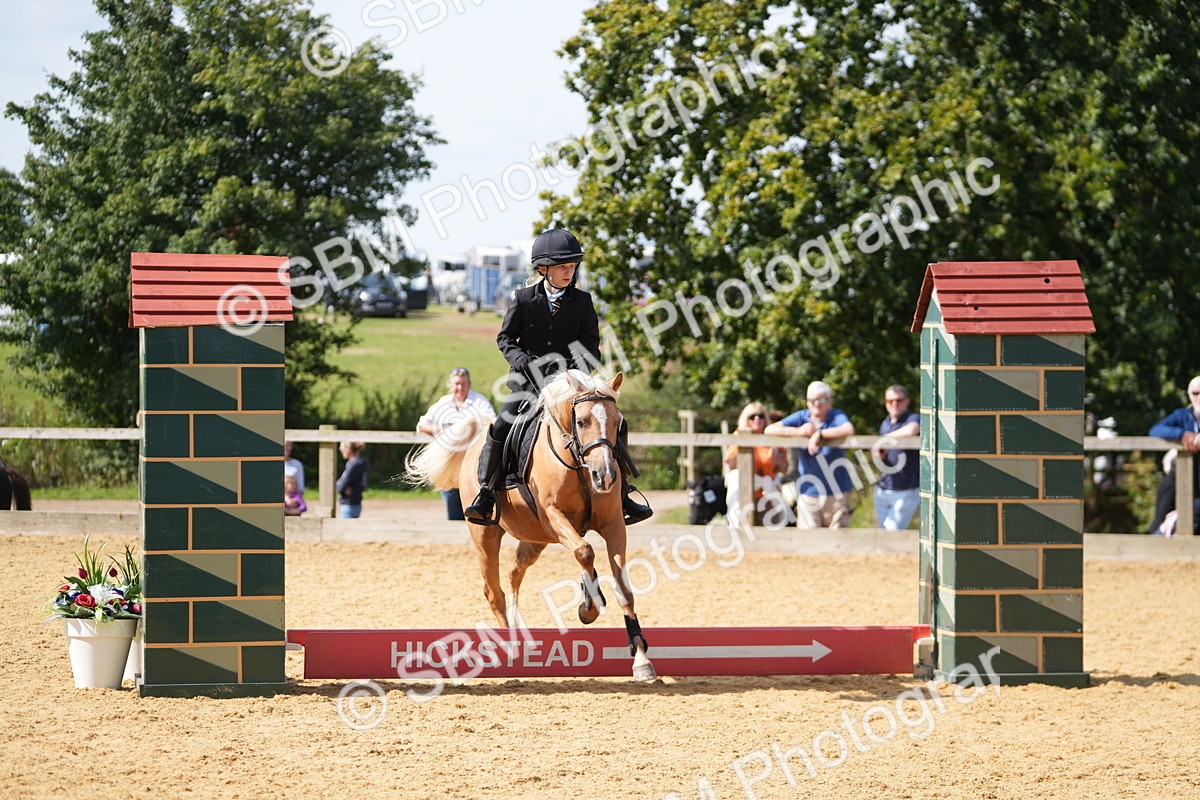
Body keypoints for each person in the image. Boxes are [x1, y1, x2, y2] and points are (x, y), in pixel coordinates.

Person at [464, 228, 652, 526]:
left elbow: (591, 347)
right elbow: (506, 339)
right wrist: (522, 360)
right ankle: (486, 493)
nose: (569, 271)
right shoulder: (523, 299)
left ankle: (623, 492)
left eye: (572, 266)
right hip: (528, 385)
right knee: (501, 426)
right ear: (543, 269)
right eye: (563, 267)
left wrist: (575, 371)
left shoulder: (583, 301)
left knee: (615, 421)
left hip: (571, 384)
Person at [764, 381, 856, 529]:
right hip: (808, 492)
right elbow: (769, 430)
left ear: (830, 401)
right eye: (812, 400)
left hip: (837, 492)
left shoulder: (836, 416)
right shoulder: (801, 417)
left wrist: (819, 435)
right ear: (807, 402)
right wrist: (798, 432)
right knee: (808, 540)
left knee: (836, 542)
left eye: (822, 399)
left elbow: (848, 429)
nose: (817, 404)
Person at [418, 367, 497, 520]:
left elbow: (492, 423)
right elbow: (422, 425)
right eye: (457, 384)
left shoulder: (479, 401)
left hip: (471, 461)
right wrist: (443, 430)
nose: (460, 387)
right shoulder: (443, 403)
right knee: (452, 504)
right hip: (449, 464)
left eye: (463, 384)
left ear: (469, 384)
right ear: (450, 385)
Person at [1148, 375, 1200, 535]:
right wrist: (1182, 435)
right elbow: (1155, 430)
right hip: (1177, 478)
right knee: (1160, 517)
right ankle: (1153, 550)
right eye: (1195, 393)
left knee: (1194, 512)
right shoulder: (1183, 415)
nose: (1199, 397)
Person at [723, 401, 788, 526]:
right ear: (746, 419)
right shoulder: (739, 436)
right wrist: (745, 443)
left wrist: (778, 461)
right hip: (745, 495)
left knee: (770, 533)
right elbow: (731, 465)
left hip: (768, 494)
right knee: (744, 532)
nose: (757, 419)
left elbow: (784, 469)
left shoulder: (773, 438)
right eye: (752, 416)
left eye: (761, 416)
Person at [874, 384, 921, 530]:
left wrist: (883, 439)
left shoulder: (913, 418)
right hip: (883, 488)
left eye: (899, 400)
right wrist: (878, 452)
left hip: (906, 490)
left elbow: (912, 430)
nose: (894, 404)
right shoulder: (885, 423)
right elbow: (878, 453)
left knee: (893, 532)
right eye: (890, 401)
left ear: (907, 401)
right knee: (884, 534)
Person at [336, 441, 368, 519]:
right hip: (355, 503)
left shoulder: (354, 464)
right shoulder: (360, 462)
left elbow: (340, 487)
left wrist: (339, 485)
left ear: (349, 448)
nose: (340, 449)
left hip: (349, 504)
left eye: (342, 447)